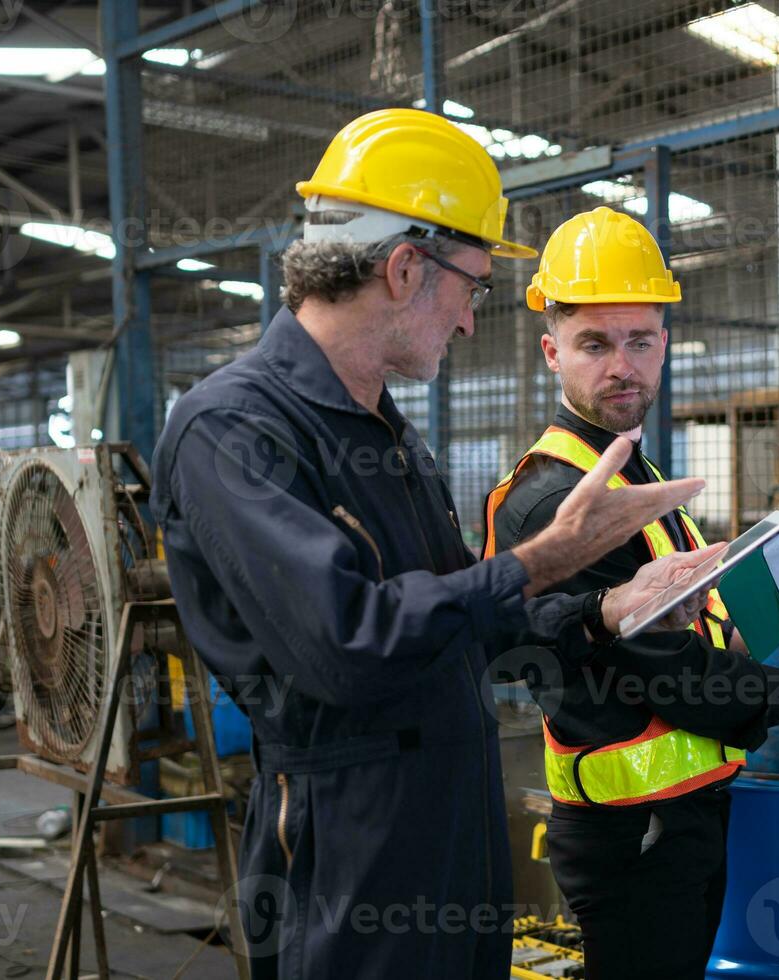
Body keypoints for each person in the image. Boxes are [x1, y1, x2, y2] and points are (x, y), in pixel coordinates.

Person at [151, 111, 726, 980]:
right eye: (473, 288)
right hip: (353, 848)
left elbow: (475, 618)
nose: (466, 322)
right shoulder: (234, 429)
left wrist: (608, 609)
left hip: (447, 827)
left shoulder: (382, 431)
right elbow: (348, 644)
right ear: (406, 267)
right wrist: (548, 554)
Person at [484, 206, 779, 979]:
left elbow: (701, 643)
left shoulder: (641, 479)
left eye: (640, 341)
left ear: (664, 346)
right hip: (630, 835)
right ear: (553, 353)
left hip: (680, 818)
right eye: (595, 344)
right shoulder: (560, 499)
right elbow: (673, 679)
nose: (622, 364)